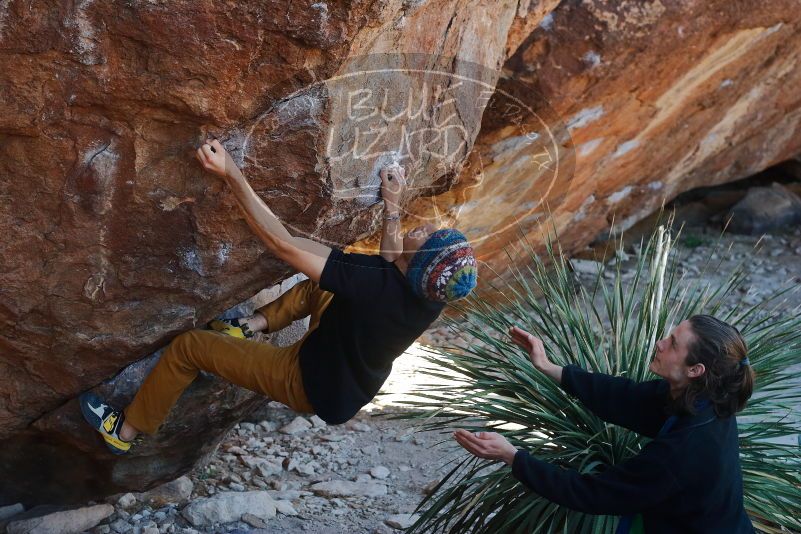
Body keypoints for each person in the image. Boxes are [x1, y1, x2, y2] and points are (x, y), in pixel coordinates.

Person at [80, 138, 477, 454]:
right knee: (324, 287)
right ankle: (252, 325)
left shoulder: (376, 286)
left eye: (427, 237)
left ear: (418, 266)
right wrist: (392, 206)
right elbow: (394, 260)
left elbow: (283, 244)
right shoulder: (430, 293)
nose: (425, 227)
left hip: (308, 381)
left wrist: (231, 173)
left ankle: (126, 431)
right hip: (344, 367)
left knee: (189, 347)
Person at [454, 315, 755, 533]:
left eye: (673, 344)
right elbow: (623, 397)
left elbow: (594, 493)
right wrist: (547, 366)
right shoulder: (702, 398)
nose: (660, 343)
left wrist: (512, 456)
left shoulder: (683, 450)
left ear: (695, 369)